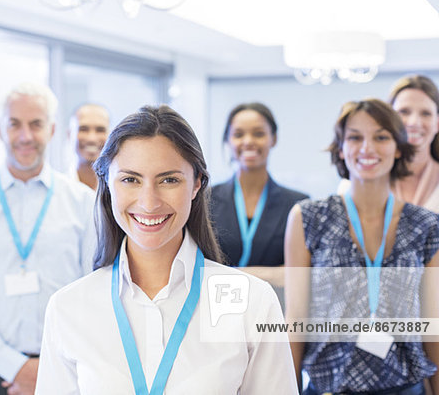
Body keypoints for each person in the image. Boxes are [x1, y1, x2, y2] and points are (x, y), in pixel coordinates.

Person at [35, 105, 298, 394]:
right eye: (131, 179)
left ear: (197, 183)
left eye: (169, 180)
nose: (149, 202)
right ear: (108, 184)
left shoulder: (253, 302)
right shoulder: (69, 308)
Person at [0, 83, 96, 395]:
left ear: (51, 130)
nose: (25, 136)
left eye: (36, 124)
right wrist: (16, 367)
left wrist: (52, 364)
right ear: (0, 130)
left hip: (65, 368)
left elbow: (93, 292)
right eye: (15, 124)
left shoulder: (83, 202)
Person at [285, 99, 439, 394]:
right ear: (341, 149)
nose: (367, 148)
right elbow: (295, 320)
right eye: (355, 137)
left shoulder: (426, 226)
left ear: (398, 147)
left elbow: (433, 324)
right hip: (329, 386)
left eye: (381, 137)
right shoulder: (308, 217)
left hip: (404, 386)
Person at [211, 102, 307, 287]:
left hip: (276, 308)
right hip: (216, 308)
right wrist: (273, 273)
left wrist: (232, 275)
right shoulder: (205, 201)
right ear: (228, 140)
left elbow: (300, 273)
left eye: (259, 133)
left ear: (274, 138)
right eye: (238, 134)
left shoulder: (298, 205)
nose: (248, 141)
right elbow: (195, 268)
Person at [389, 75, 439, 212]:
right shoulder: (366, 178)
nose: (414, 122)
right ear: (388, 119)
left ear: (437, 124)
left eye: (426, 113)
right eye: (404, 112)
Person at [67, 103, 110, 190]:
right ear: (69, 134)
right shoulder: (57, 189)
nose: (92, 139)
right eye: (83, 129)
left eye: (100, 130)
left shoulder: (120, 188)